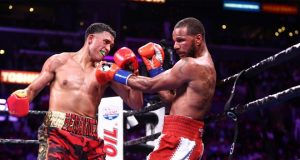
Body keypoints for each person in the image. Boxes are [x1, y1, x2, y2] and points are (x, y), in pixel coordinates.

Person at [6, 23, 143, 160]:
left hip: (90, 137)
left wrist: (134, 73)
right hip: (58, 133)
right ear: (90, 39)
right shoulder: (59, 61)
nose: (107, 49)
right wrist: (21, 97)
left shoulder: (106, 70)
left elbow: (135, 103)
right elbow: (32, 90)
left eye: (111, 46)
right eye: (105, 42)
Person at [96, 17, 216, 160]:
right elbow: (171, 100)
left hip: (179, 139)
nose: (176, 46)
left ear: (198, 39)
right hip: (183, 137)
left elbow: (148, 85)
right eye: (175, 41)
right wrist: (155, 70)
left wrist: (112, 71)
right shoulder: (206, 64)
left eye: (181, 40)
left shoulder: (190, 65)